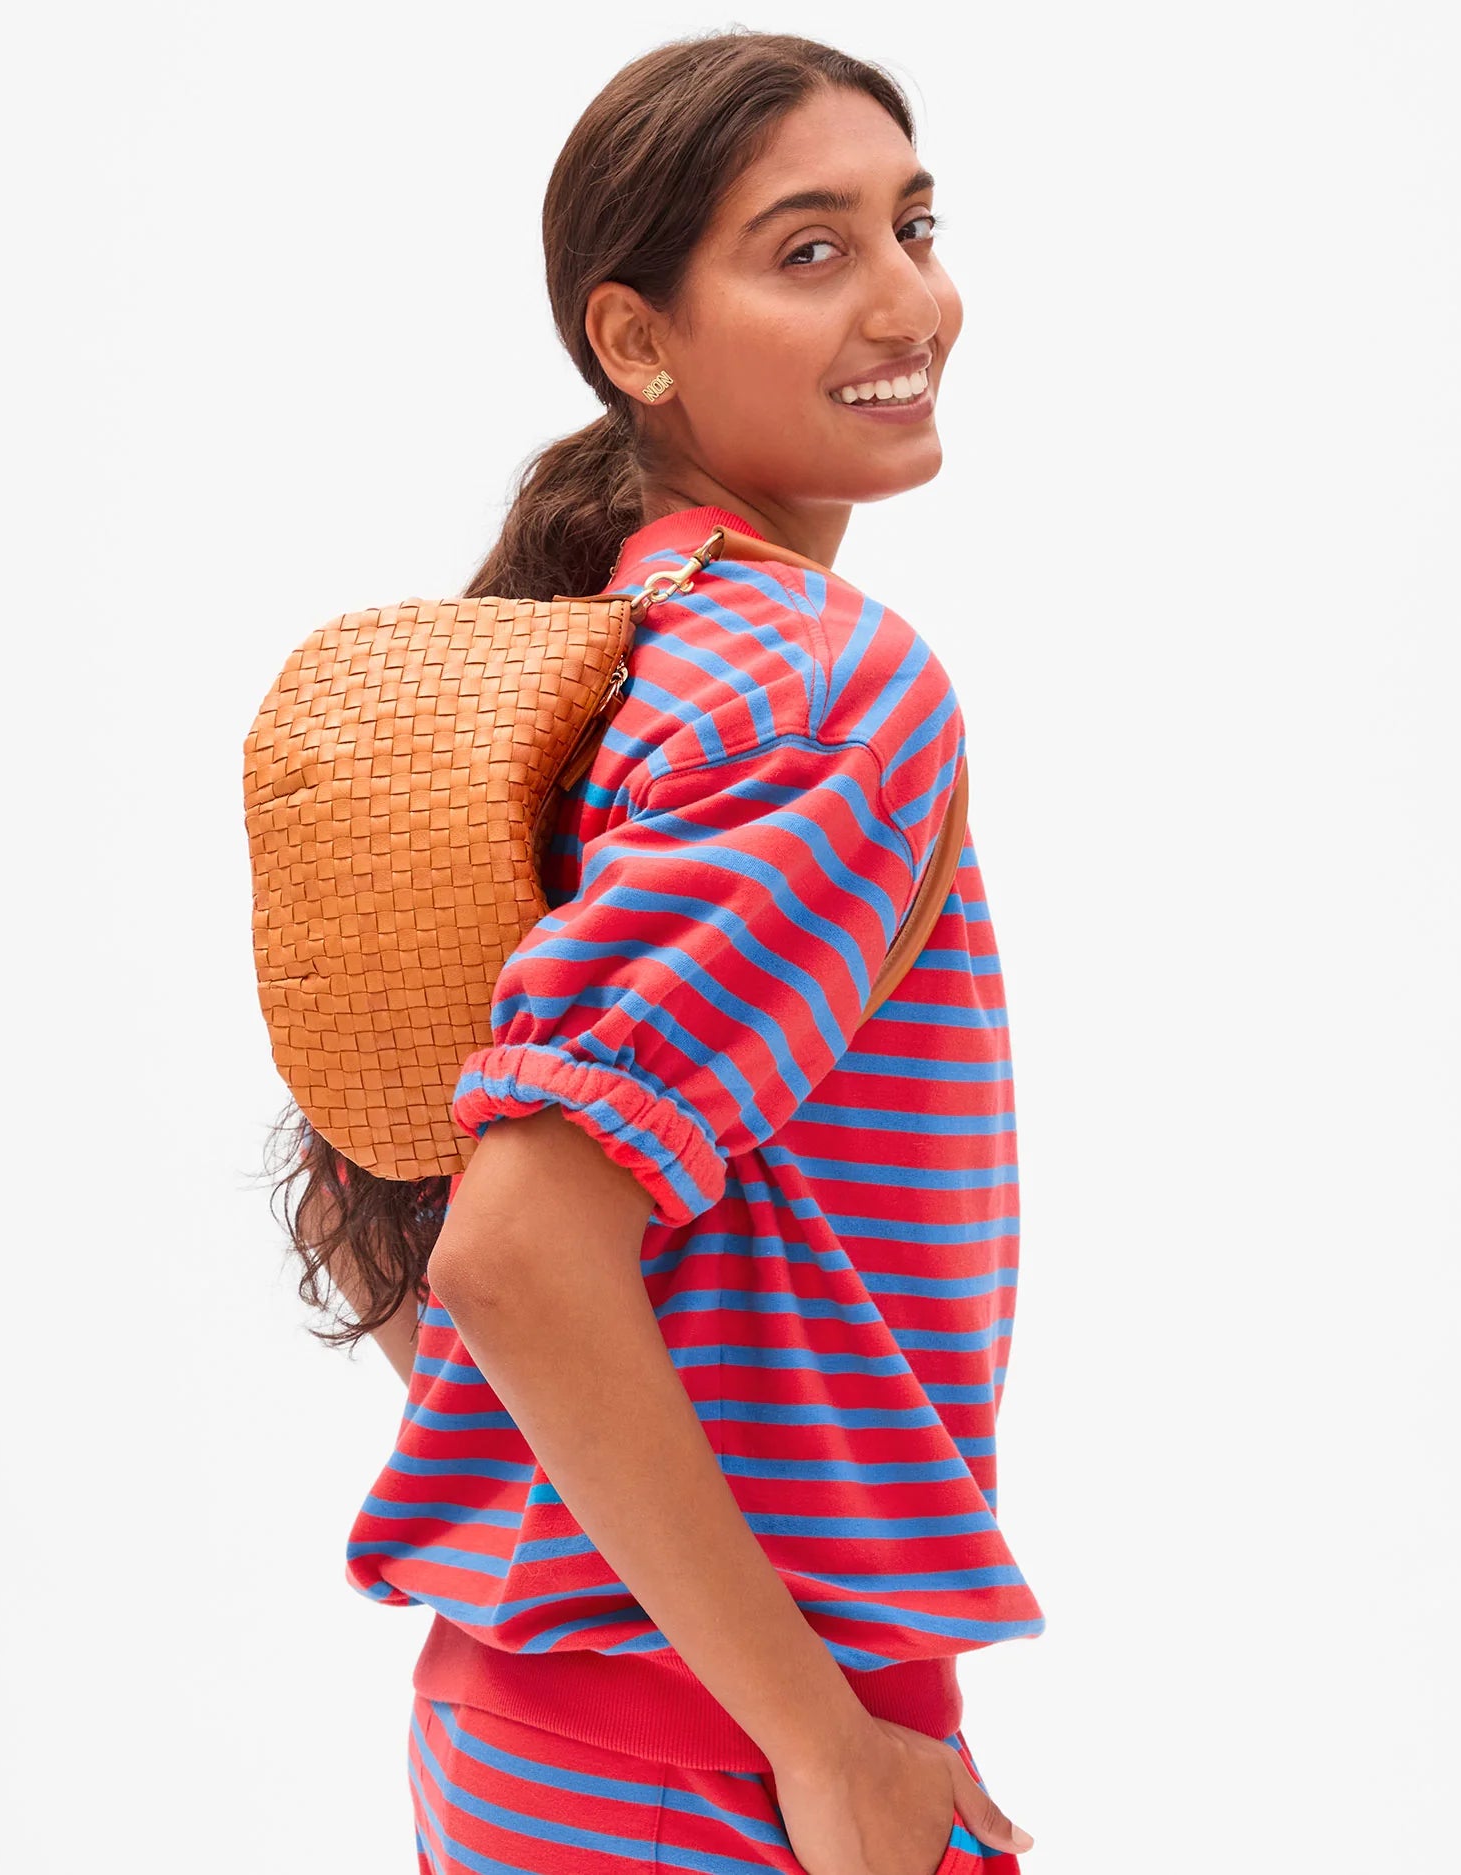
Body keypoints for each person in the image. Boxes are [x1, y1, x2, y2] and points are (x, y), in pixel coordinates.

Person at [274, 27, 1046, 1875]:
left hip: (529, 1728)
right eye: (809, 249)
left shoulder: (605, 653)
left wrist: (575, 1520)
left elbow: (359, 1202)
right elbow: (522, 1243)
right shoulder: (821, 686)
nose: (907, 301)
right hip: (732, 1767)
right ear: (636, 341)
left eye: (914, 226)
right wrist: (827, 1745)